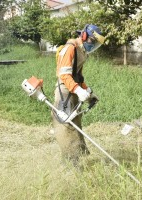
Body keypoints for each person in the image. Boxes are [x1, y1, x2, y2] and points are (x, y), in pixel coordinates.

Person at [52, 24, 105, 164]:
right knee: (67, 127)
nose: (93, 45)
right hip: (64, 91)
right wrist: (78, 90)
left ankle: (80, 158)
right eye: (92, 41)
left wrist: (87, 92)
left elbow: (78, 77)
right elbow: (64, 75)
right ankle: (70, 162)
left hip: (73, 89)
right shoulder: (70, 48)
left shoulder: (82, 51)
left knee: (76, 125)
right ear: (85, 36)